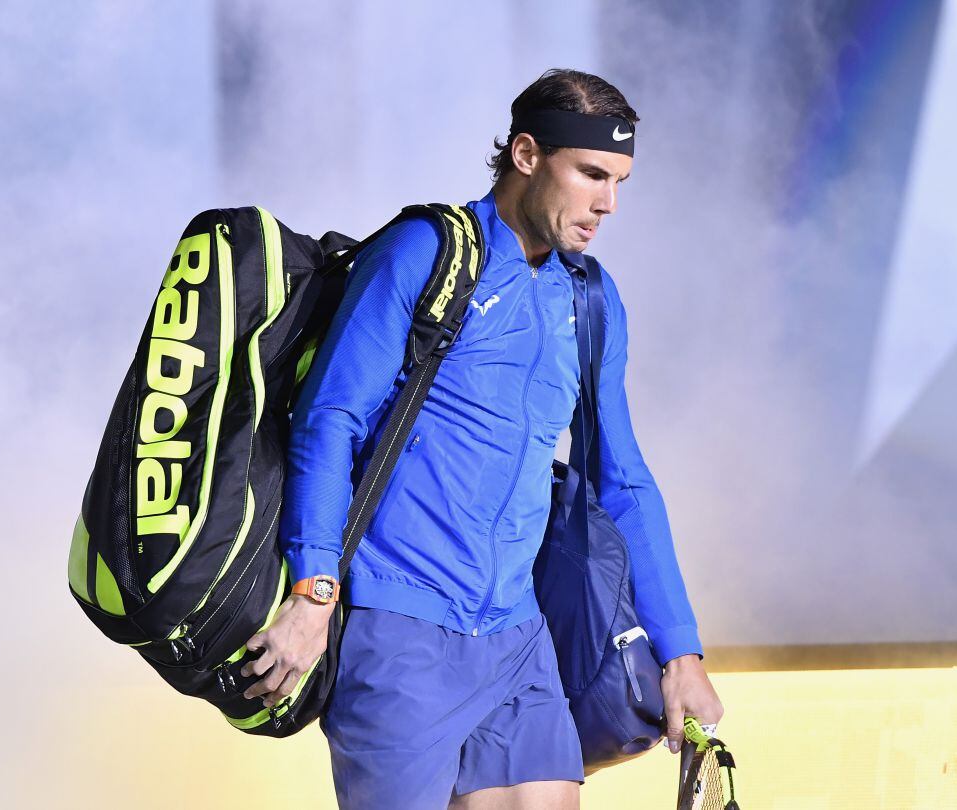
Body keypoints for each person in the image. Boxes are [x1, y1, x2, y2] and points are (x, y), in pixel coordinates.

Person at [240, 68, 723, 809]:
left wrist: (679, 651)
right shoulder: (424, 252)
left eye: (620, 180)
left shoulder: (588, 298)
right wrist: (313, 593)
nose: (608, 203)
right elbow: (330, 420)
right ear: (526, 155)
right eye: (591, 174)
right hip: (399, 632)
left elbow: (621, 479)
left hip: (516, 636)